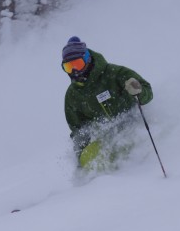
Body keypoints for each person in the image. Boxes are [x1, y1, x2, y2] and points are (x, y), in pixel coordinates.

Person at [61, 36, 153, 170]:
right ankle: (102, 185)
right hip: (108, 140)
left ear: (87, 59)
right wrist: (81, 157)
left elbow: (147, 93)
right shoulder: (73, 96)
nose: (75, 71)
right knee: (89, 157)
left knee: (133, 152)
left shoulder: (115, 73)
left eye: (78, 64)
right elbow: (78, 131)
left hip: (136, 127)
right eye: (69, 67)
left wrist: (138, 91)